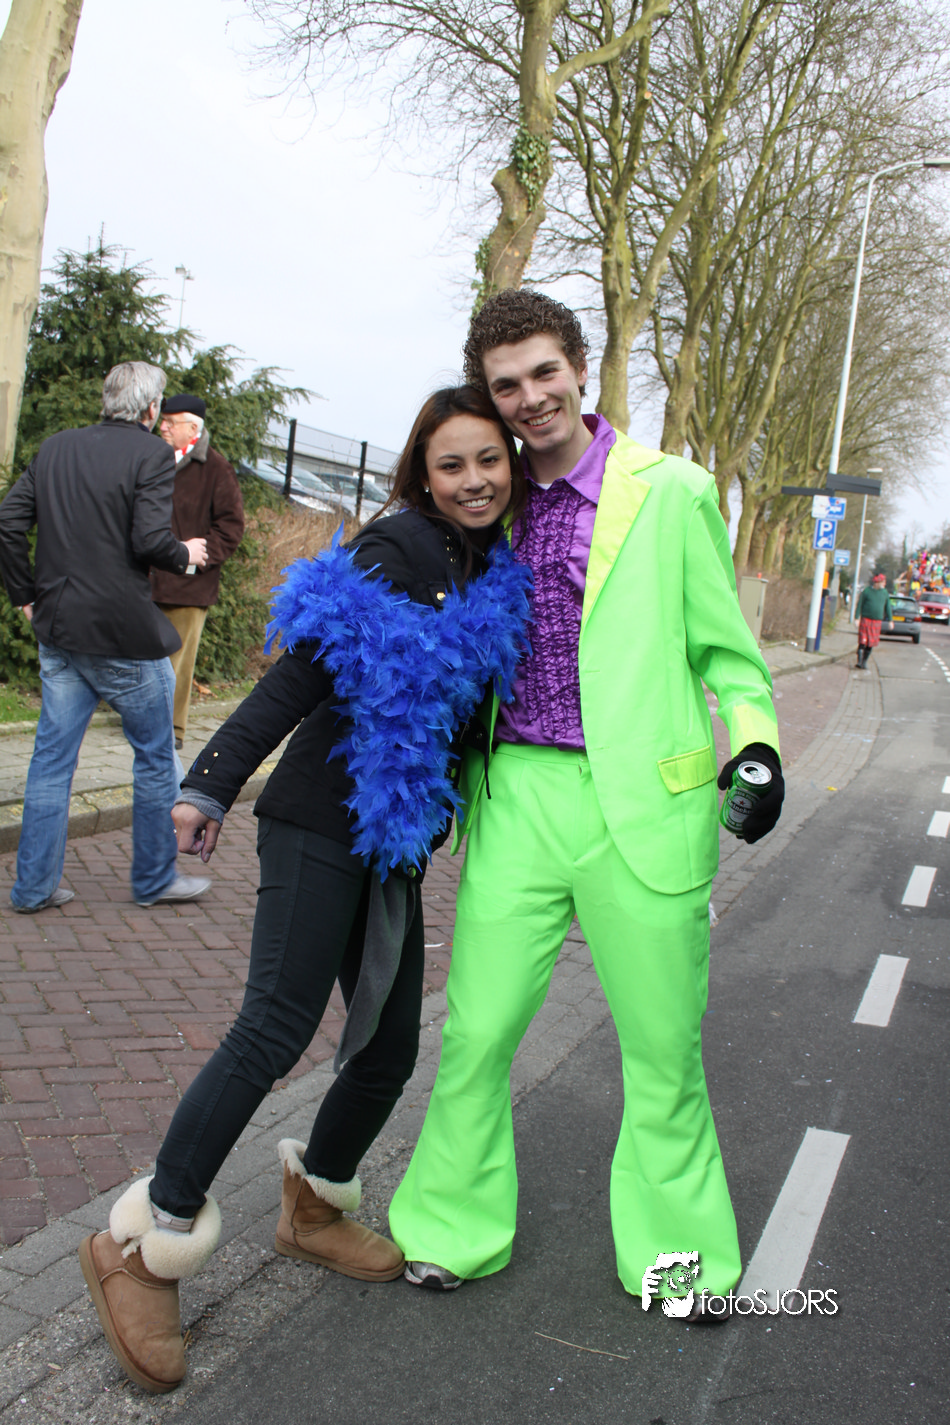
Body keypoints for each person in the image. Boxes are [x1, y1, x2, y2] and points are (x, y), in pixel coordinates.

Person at [77, 385, 532, 1394]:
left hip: (394, 837)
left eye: (487, 460)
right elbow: (300, 676)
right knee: (274, 1027)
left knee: (388, 1044)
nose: (472, 479)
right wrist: (209, 782)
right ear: (422, 474)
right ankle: (145, 1246)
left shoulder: (494, 569)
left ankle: (315, 1205)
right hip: (319, 818)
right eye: (450, 464)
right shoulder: (397, 548)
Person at [389, 290, 784, 1318]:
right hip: (518, 797)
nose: (529, 397)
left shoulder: (674, 492)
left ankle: (678, 1264)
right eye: (506, 385)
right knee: (477, 1034)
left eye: (542, 372)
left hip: (644, 810)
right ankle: (449, 1228)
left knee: (661, 1051)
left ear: (578, 365)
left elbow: (732, 661)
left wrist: (756, 750)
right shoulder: (489, 499)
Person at [0, 362, 212, 913]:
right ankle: (154, 879)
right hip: (121, 635)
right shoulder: (151, 454)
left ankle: (33, 888)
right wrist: (185, 553)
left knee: (51, 762)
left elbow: (8, 521)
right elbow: (149, 539)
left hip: (58, 629)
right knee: (156, 757)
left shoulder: (57, 447)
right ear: (151, 409)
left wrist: (24, 594)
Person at [151, 395, 245, 749]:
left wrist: (195, 558)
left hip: (188, 586)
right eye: (163, 420)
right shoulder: (153, 458)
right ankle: (143, 724)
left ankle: (172, 731)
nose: (162, 427)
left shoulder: (216, 469)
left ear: (193, 428)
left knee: (176, 663)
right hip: (145, 581)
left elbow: (231, 527)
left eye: (170, 422)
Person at [855, 573, 892, 669]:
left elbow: (887, 606)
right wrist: (856, 618)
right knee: (862, 641)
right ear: (877, 582)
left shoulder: (884, 593)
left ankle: (864, 662)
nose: (884, 584)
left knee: (871, 643)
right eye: (883, 582)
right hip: (865, 619)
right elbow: (860, 604)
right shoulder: (867, 591)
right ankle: (859, 661)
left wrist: (890, 620)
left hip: (876, 621)